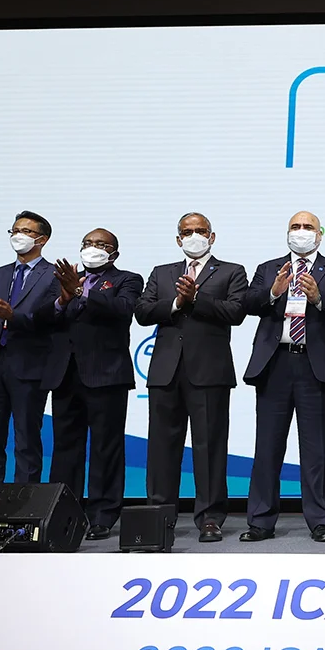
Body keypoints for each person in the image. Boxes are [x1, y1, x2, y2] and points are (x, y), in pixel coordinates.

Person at [134, 213, 247, 543]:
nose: (193, 236)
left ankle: (210, 518)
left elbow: (236, 312)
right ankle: (159, 516)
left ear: (212, 237)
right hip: (165, 371)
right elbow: (142, 312)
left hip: (209, 372)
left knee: (209, 447)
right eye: (187, 231)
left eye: (200, 231)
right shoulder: (162, 272)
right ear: (178, 238)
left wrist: (196, 299)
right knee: (161, 448)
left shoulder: (231, 271)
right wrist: (175, 303)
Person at [241, 211, 325, 543]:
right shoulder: (268, 268)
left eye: (308, 227)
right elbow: (248, 303)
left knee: (317, 448)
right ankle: (261, 521)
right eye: (295, 227)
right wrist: (273, 292)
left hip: (314, 365)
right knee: (267, 446)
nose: (301, 232)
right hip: (274, 364)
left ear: (320, 235)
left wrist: (318, 298)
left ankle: (320, 520)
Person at [34, 229, 143, 540]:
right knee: (65, 448)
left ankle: (102, 515)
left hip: (106, 375)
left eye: (100, 244)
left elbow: (123, 310)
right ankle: (63, 513)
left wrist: (80, 292)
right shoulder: (63, 279)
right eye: (87, 243)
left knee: (106, 447)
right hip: (65, 374)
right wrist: (63, 298)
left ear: (114, 253)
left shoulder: (127, 279)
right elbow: (40, 317)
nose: (92, 248)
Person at [0, 211, 60, 483]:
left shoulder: (54, 275)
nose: (19, 236)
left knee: (26, 440)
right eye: (15, 231)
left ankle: (24, 503)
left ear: (42, 239)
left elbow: (51, 319)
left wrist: (12, 317)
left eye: (26, 231)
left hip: (29, 366)